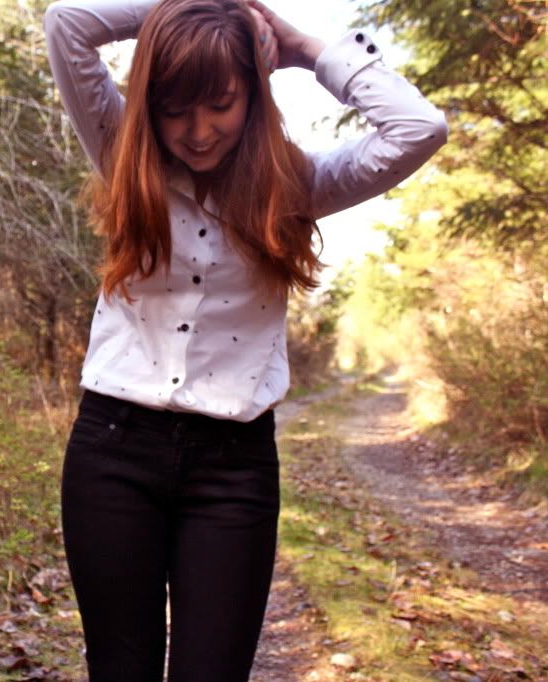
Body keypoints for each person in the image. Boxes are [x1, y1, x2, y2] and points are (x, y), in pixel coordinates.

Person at [42, 0, 448, 679]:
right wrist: (196, 8)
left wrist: (309, 49)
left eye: (220, 104)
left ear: (253, 96)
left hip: (232, 470)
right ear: (149, 104)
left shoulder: (295, 187)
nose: (197, 131)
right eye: (174, 109)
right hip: (110, 455)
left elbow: (419, 128)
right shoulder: (121, 153)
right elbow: (67, 24)